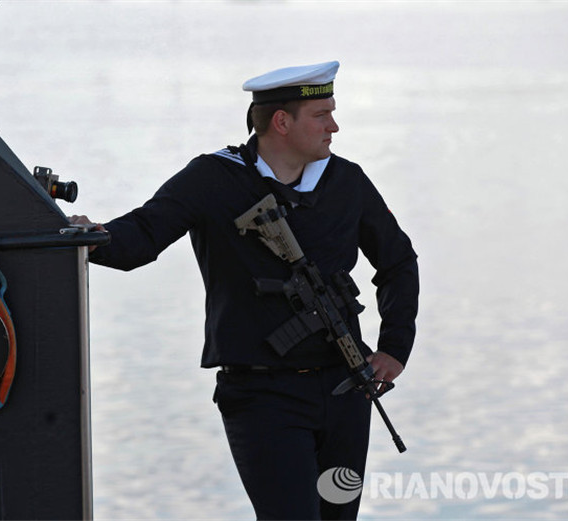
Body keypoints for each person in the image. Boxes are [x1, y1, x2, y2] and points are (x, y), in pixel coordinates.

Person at [71, 60, 419, 520]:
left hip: (344, 392)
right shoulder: (213, 178)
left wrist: (395, 348)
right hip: (262, 399)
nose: (334, 126)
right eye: (321, 116)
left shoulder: (346, 181)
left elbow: (397, 262)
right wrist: (81, 235)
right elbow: (140, 238)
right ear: (281, 122)